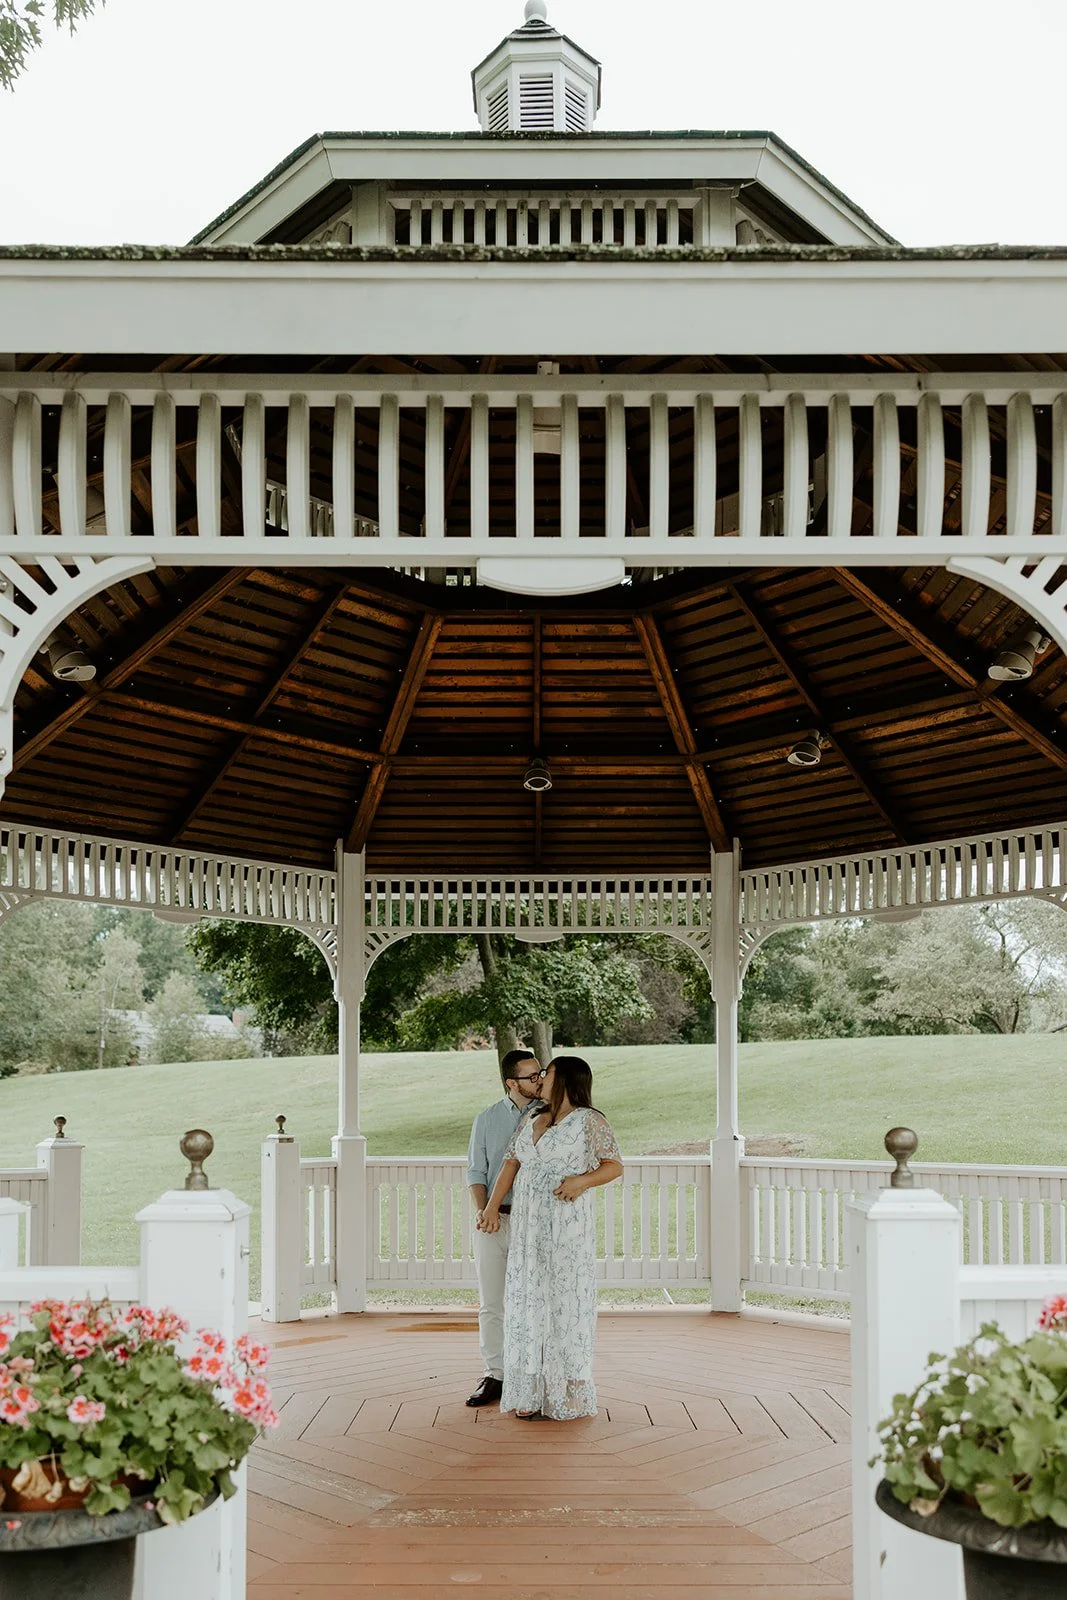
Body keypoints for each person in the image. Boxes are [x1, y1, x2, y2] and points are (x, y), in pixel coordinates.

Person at [478, 1055, 623, 1421]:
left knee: (563, 1302)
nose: (541, 1077)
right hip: (528, 1227)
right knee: (529, 1301)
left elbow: (614, 1165)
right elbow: (511, 1163)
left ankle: (566, 1389)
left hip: (565, 1226)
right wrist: (492, 1207)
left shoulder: (590, 1121)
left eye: (549, 1073)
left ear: (567, 1080)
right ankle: (528, 1389)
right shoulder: (531, 1117)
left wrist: (580, 1182)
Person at [464, 1045, 546, 1407]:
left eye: (540, 1073)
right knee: (491, 1303)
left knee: (533, 1300)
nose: (539, 1079)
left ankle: (530, 1374)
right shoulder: (486, 1118)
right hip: (492, 1222)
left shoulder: (550, 1115)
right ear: (512, 1082)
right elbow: (476, 1171)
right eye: (532, 1076)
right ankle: (494, 1374)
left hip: (534, 1222)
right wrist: (486, 1212)